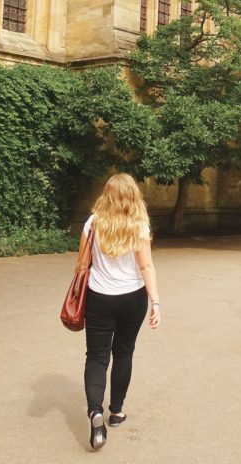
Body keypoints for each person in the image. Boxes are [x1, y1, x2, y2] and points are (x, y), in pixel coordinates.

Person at [78, 173, 161, 451]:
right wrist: (156, 303)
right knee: (123, 352)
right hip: (132, 298)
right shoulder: (139, 224)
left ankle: (94, 411)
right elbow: (146, 266)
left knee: (97, 357)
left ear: (106, 195)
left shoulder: (92, 223)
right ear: (133, 196)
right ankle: (116, 411)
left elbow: (82, 263)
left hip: (99, 297)